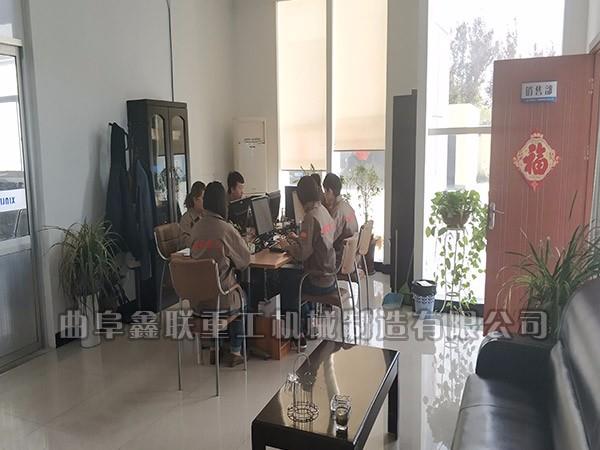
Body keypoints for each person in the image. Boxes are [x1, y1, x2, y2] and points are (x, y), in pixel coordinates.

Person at [189, 181, 251, 367]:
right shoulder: (226, 229)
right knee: (242, 298)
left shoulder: (195, 229)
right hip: (221, 299)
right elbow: (245, 261)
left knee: (215, 295)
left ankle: (214, 348)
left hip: (198, 301)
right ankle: (235, 351)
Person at [278, 176, 336, 350]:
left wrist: (286, 246)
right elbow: (314, 243)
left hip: (317, 279)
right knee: (297, 277)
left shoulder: (310, 217)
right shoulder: (323, 211)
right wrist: (298, 239)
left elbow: (303, 254)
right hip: (329, 276)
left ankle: (296, 335)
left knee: (287, 282)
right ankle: (309, 326)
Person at [323, 173, 358, 266]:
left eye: (325, 191)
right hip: (351, 258)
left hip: (340, 259)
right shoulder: (347, 206)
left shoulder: (337, 211)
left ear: (330, 191)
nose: (324, 195)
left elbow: (329, 239)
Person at [179, 181, 205, 248]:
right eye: (203, 198)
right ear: (195, 200)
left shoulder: (205, 215)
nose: (206, 201)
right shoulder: (186, 219)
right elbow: (184, 243)